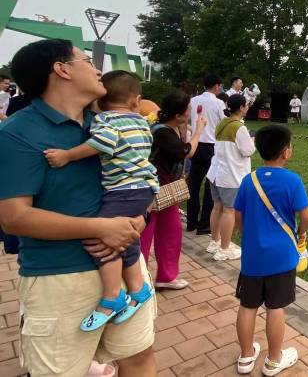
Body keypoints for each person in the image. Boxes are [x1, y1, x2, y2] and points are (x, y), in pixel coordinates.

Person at [0, 39, 155, 377]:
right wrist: (101, 229)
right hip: (60, 279)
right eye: (87, 60)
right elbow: (13, 218)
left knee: (139, 358)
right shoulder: (16, 133)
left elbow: (134, 181)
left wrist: (138, 219)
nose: (98, 69)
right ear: (62, 69)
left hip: (127, 265)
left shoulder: (107, 123)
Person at [44, 71, 157, 331]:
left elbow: (102, 143)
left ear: (100, 102)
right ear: (136, 101)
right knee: (126, 237)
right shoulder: (141, 122)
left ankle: (112, 297)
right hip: (143, 189)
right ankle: (138, 289)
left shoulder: (106, 119)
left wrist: (67, 156)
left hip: (123, 190)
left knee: (103, 238)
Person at [233, 125, 308, 375]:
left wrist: (249, 236)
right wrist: (301, 233)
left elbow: (238, 216)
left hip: (253, 257)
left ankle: (246, 357)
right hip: (281, 257)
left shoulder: (249, 180)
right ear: (286, 151)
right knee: (275, 307)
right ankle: (274, 360)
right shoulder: (292, 180)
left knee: (247, 306)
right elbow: (307, 216)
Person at [141, 91, 206, 289]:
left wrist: (186, 127)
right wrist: (198, 131)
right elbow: (186, 151)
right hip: (152, 191)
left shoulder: (171, 128)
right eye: (187, 109)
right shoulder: (162, 132)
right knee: (145, 235)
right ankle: (139, 280)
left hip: (168, 190)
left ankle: (166, 277)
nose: (190, 112)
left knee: (172, 231)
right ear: (177, 115)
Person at [206, 94, 255, 261]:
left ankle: (215, 242)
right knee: (229, 210)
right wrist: (252, 140)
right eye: (246, 105)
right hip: (230, 176)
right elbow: (248, 151)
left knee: (217, 208)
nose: (247, 108)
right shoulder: (239, 127)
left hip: (216, 173)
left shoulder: (222, 123)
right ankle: (224, 249)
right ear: (241, 108)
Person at [187, 74, 225, 234]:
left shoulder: (193, 100)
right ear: (216, 86)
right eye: (220, 86)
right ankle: (204, 225)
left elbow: (187, 120)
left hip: (196, 144)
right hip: (211, 147)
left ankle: (191, 222)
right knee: (210, 186)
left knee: (194, 185)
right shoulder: (219, 103)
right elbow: (224, 122)